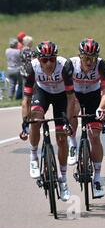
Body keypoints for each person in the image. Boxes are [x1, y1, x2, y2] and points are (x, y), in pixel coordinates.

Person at [21, 41, 75, 202]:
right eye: (45, 60)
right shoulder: (33, 67)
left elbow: (71, 99)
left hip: (61, 97)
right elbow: (26, 101)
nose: (49, 63)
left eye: (52, 59)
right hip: (42, 93)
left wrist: (68, 122)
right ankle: (33, 157)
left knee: (61, 137)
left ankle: (63, 179)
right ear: (39, 60)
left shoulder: (65, 66)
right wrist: (25, 125)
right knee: (35, 120)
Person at [68, 38, 105, 198]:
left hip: (94, 96)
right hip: (75, 94)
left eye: (93, 58)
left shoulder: (101, 65)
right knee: (73, 109)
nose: (90, 62)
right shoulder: (71, 64)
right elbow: (65, 91)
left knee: (95, 136)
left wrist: (102, 107)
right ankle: (73, 145)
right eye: (86, 58)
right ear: (80, 56)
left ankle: (97, 179)